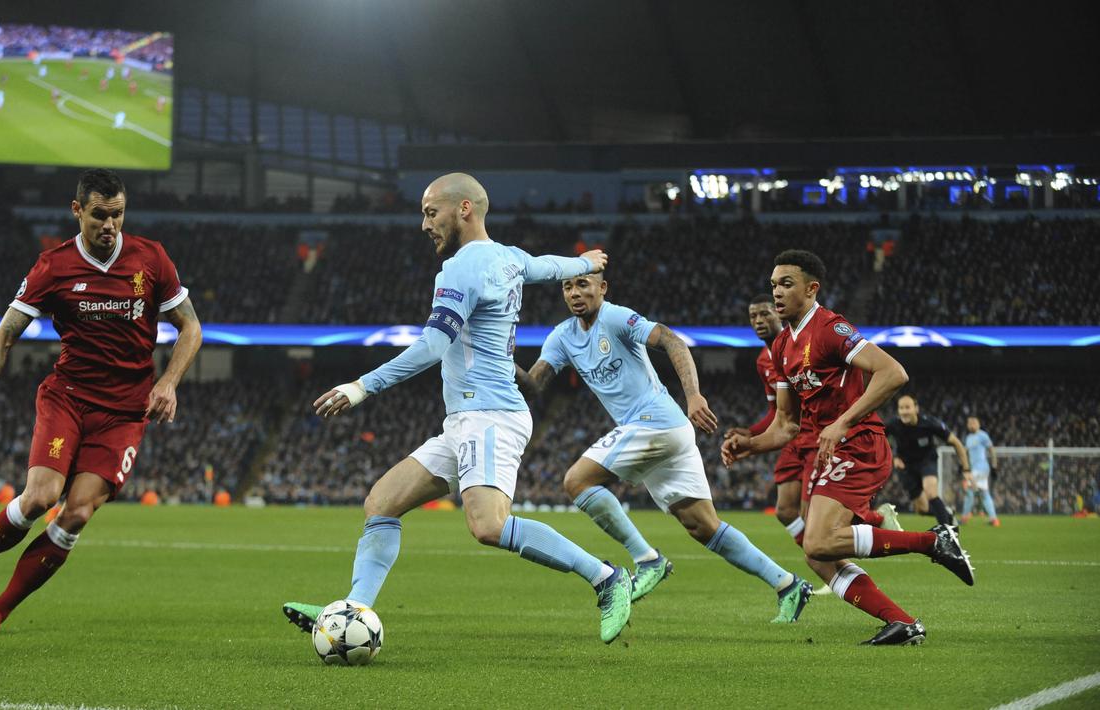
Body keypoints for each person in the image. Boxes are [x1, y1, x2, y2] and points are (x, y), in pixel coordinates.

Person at [281, 173, 634, 644]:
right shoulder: (509, 257)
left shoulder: (461, 269)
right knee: (381, 504)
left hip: (490, 415)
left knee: (488, 525)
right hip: (468, 419)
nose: (424, 224)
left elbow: (432, 346)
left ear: (463, 208)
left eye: (431, 212)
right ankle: (350, 612)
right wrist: (585, 261)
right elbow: (548, 266)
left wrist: (362, 386)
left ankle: (607, 578)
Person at [0, 169, 203, 636]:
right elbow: (5, 335)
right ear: (77, 211)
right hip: (69, 400)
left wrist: (170, 382)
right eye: (99, 215)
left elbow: (191, 327)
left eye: (117, 214)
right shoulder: (53, 266)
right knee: (40, 497)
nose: (109, 225)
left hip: (124, 413)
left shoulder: (151, 258)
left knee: (76, 513)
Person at [514, 274, 814, 623]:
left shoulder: (616, 317)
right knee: (704, 527)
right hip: (664, 433)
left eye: (583, 284)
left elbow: (672, 340)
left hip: (655, 422)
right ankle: (788, 584)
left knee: (576, 481)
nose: (575, 293)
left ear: (602, 288)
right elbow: (533, 385)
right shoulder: (562, 336)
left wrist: (693, 395)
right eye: (568, 287)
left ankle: (647, 560)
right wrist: (502, 361)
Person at [722, 249, 973, 645]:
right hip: (833, 450)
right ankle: (902, 623)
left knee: (818, 541)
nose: (777, 292)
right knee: (816, 555)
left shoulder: (830, 328)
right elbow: (787, 425)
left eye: (786, 284)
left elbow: (893, 373)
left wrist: (841, 422)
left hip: (860, 443)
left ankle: (934, 541)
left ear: (811, 288)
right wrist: (749, 445)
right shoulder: (782, 347)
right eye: (773, 285)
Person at [886, 395, 969, 527]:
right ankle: (946, 514)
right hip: (906, 466)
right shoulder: (893, 424)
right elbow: (878, 441)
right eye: (901, 408)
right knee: (922, 509)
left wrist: (966, 469)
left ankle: (946, 532)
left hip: (927, 461)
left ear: (916, 409)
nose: (904, 411)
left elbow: (956, 442)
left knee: (931, 492)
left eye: (907, 407)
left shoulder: (929, 423)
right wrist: (893, 457)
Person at [961, 416, 999, 526]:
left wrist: (994, 466)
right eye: (970, 423)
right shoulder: (968, 438)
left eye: (974, 423)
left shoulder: (983, 435)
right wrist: (963, 466)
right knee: (984, 493)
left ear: (978, 424)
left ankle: (964, 517)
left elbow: (991, 450)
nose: (971, 425)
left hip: (981, 468)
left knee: (969, 489)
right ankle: (994, 519)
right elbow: (965, 452)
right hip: (975, 469)